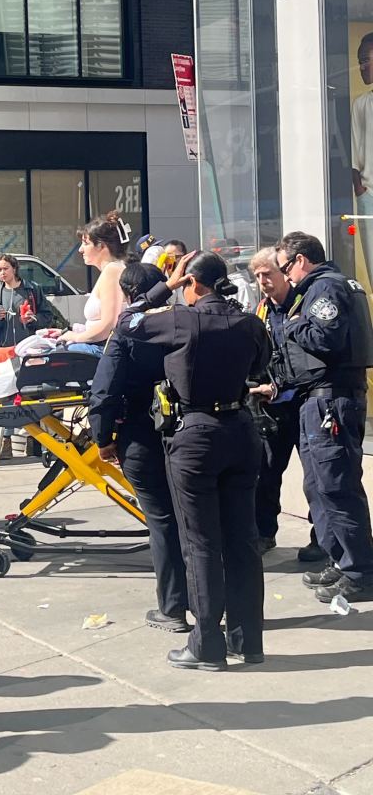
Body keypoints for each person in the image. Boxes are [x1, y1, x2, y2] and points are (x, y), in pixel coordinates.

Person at [123, 250, 270, 670]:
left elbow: (126, 323)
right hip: (241, 430)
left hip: (197, 434)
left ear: (191, 283)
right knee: (243, 539)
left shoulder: (181, 319)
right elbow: (261, 365)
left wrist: (162, 288)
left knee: (200, 543)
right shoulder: (249, 321)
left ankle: (206, 644)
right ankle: (248, 640)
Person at [89, 262, 189, 633]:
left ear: (128, 295)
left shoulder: (129, 330)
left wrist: (103, 440)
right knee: (191, 518)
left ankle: (173, 608)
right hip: (185, 431)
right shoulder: (183, 323)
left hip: (140, 434)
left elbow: (104, 391)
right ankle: (207, 601)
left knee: (161, 520)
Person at [275, 232, 373, 603]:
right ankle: (343, 559)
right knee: (318, 486)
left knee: (336, 486)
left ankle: (360, 571)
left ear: (301, 260)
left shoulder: (326, 288)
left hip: (331, 400)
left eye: (286, 268)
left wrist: (292, 323)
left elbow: (325, 338)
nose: (287, 277)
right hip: (320, 399)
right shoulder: (330, 285)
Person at [248, 247, 323, 560]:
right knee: (266, 473)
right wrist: (257, 387)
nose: (264, 281)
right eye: (258, 276)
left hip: (307, 402)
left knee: (316, 478)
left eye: (269, 274)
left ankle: (321, 539)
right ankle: (264, 533)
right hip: (273, 407)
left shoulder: (303, 302)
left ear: (284, 273)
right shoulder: (261, 311)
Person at [56, 213, 131, 355]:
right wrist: (69, 332)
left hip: (104, 350)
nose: (80, 249)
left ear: (101, 246)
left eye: (86, 243)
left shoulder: (112, 271)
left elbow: (108, 325)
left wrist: (75, 337)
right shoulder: (113, 270)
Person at [0, 254, 53, 347]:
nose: (2, 272)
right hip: (5, 349)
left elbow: (48, 316)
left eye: (6, 268)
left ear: (14, 269)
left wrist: (33, 319)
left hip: (29, 347)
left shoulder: (32, 290)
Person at [352, 32, 373, 274]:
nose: (361, 67)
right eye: (359, 61)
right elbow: (353, 148)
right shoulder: (361, 104)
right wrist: (360, 189)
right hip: (369, 193)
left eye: (366, 60)